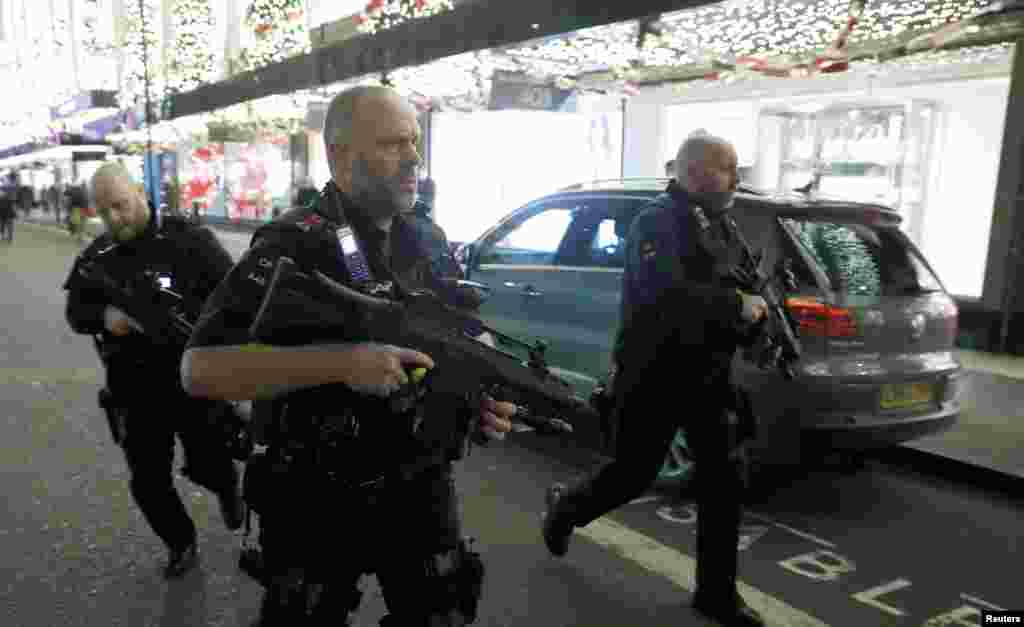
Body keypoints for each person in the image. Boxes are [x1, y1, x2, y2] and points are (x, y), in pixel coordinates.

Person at [180, 86, 515, 626]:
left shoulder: (426, 236)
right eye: (391, 143)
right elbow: (199, 369)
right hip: (316, 494)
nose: (413, 157)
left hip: (419, 485)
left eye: (415, 141)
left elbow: (453, 333)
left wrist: (476, 393)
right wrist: (342, 363)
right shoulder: (292, 244)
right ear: (337, 155)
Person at [540, 131, 769, 627]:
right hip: (655, 374)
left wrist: (757, 318)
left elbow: (743, 286)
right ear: (694, 172)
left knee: (723, 484)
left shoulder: (724, 225)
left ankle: (716, 594)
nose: (736, 177)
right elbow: (664, 297)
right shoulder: (656, 222)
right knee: (632, 473)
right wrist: (735, 306)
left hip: (710, 376)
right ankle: (567, 507)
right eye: (728, 168)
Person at [63, 162, 246, 579]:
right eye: (104, 211)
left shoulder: (189, 240)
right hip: (133, 387)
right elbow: (76, 312)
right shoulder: (96, 259)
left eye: (121, 205)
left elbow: (234, 293)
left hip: (192, 378)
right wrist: (104, 315)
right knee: (147, 482)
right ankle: (180, 541)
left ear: (142, 195)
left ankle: (226, 487)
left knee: (210, 460)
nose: (114, 218)